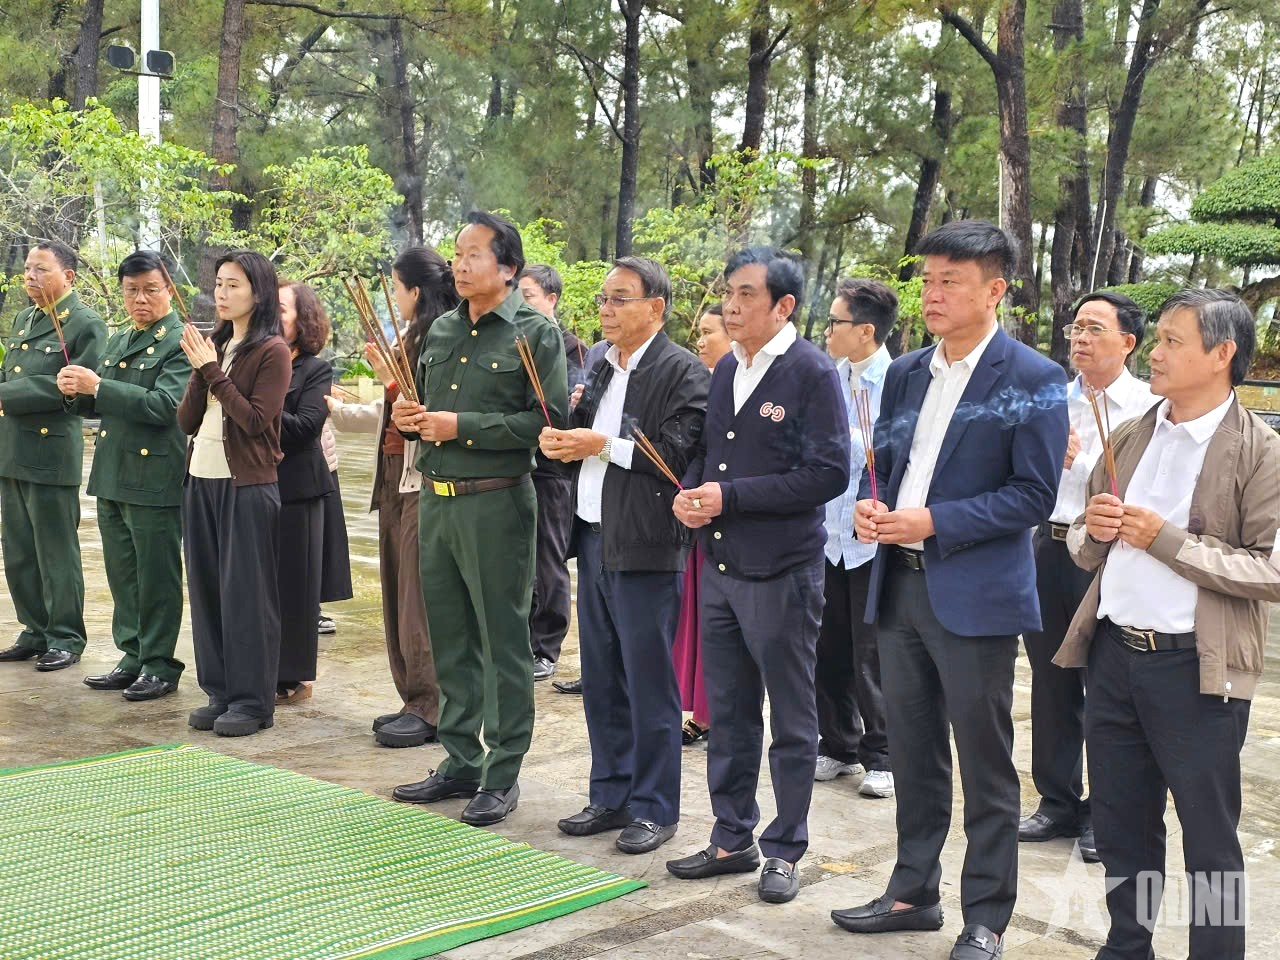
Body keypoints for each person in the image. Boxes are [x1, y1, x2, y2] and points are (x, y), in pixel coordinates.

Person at [837, 221, 1067, 960]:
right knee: (912, 750)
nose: (932, 295)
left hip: (974, 598)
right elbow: (896, 464)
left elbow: (1033, 494)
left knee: (984, 758)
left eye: (951, 282)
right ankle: (912, 891)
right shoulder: (906, 372)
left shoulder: (1031, 377)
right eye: (928, 281)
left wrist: (932, 521)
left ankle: (986, 916)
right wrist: (876, 509)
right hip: (898, 589)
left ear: (994, 290)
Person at [1055, 289, 1279, 960]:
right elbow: (1082, 543)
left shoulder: (1260, 450)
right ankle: (1128, 944)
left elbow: (1270, 570)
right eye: (1156, 340)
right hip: (1115, 657)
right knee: (1123, 824)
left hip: (1197, 672)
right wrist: (1090, 535)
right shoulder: (1132, 432)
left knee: (1209, 837)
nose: (1154, 353)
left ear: (1222, 354)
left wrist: (1167, 540)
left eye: (1173, 341)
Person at [666, 246, 850, 905]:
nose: (731, 306)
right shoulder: (725, 372)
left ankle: (785, 848)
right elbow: (711, 458)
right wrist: (693, 492)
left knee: (792, 718)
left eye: (747, 295)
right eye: (729, 294)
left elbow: (828, 474)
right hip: (719, 568)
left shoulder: (810, 373)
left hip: (782, 574)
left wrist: (731, 498)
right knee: (732, 712)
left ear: (784, 306)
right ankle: (729, 836)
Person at [390, 211, 567, 826]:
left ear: (508, 267)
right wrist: (410, 420)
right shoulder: (439, 330)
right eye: (456, 255)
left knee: (501, 641)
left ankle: (503, 770)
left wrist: (459, 427)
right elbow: (426, 412)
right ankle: (460, 759)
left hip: (497, 501)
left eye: (473, 255)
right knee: (452, 637)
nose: (459, 265)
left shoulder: (533, 334)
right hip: (436, 500)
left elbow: (545, 426)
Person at [542, 256, 708, 855]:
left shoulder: (682, 371)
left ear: (655, 308)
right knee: (603, 678)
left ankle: (655, 807)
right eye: (603, 300)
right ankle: (609, 794)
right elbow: (588, 438)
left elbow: (673, 456)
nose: (606, 310)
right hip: (594, 535)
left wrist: (599, 443)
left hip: (645, 545)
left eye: (620, 299)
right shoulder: (600, 364)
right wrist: (566, 435)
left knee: (649, 680)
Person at [1018, 291, 1153, 860]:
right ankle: (1056, 800)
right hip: (1048, 547)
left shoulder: (1149, 407)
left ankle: (1106, 811)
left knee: (1104, 685)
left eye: (1094, 329)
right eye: (1075, 328)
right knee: (1050, 681)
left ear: (1128, 342)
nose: (1079, 338)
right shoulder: (1046, 402)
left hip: (1108, 558)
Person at [325, 246, 456, 748]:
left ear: (415, 291)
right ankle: (412, 697)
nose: (395, 298)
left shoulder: (440, 338)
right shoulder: (409, 337)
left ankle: (431, 705)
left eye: (398, 289)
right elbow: (387, 415)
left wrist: (387, 377)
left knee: (417, 599)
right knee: (397, 590)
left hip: (421, 477)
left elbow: (425, 411)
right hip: (394, 475)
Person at [56, 250, 189, 700]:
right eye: (131, 290)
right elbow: (99, 404)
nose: (140, 299)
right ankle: (131, 655)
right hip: (113, 472)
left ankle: (159, 664)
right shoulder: (120, 338)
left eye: (151, 289)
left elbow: (165, 406)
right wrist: (76, 392)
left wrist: (100, 387)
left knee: (156, 576)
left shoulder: (180, 341)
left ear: (169, 288)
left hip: (154, 475)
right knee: (122, 573)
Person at [177, 250, 291, 738]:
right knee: (206, 592)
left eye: (233, 286)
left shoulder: (272, 352)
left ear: (258, 293)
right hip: (200, 481)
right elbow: (186, 421)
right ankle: (220, 691)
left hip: (247, 487)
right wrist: (202, 368)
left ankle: (252, 701)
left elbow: (253, 420)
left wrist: (212, 372)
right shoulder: (216, 344)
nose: (221, 294)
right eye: (219, 284)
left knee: (246, 595)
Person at [0, 241, 106, 672]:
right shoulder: (26, 318)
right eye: (27, 269)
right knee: (19, 548)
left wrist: (5, 396)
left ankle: (65, 635)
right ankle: (34, 629)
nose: (30, 276)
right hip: (11, 449)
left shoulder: (85, 324)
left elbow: (74, 391)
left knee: (54, 549)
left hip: (49, 450)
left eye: (41, 269)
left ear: (69, 277)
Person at [814, 278, 896, 798]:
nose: (827, 331)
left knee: (873, 652)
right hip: (825, 533)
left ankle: (883, 753)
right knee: (827, 645)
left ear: (865, 331)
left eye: (836, 322)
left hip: (871, 536)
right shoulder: (827, 378)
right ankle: (836, 745)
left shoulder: (901, 381)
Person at [274, 281, 336, 706]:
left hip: (300, 486)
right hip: (253, 483)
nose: (273, 317)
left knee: (296, 588)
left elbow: (304, 428)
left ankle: (294, 675)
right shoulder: (254, 360)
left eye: (282, 309)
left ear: (304, 319)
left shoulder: (315, 368)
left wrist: (255, 401)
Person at [671, 301, 730, 745]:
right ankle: (699, 709)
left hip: (732, 521)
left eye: (710, 332)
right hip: (696, 516)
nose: (701, 341)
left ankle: (715, 712)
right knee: (695, 618)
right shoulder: (703, 383)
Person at [517, 264, 576, 682]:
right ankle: (520, 640)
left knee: (548, 558)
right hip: (518, 464)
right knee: (519, 559)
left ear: (551, 299)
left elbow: (566, 408)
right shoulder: (514, 341)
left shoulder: (569, 347)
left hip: (553, 469)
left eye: (530, 295)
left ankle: (546, 646)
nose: (522, 304)